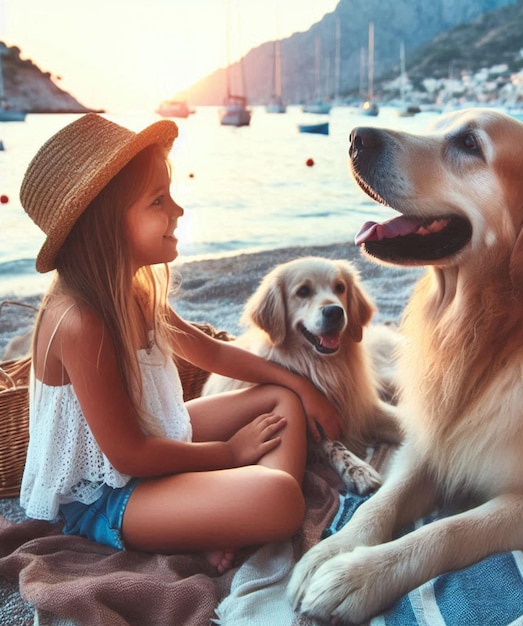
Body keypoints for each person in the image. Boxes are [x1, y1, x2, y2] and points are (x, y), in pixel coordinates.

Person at [18, 114, 341, 573]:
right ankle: (230, 512)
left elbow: (211, 353)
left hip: (153, 443)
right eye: (158, 200)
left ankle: (219, 516)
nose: (178, 210)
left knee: (280, 399)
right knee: (281, 496)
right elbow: (128, 455)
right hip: (109, 495)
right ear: (106, 225)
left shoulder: (134, 290)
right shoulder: (80, 320)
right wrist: (230, 454)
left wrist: (305, 388)